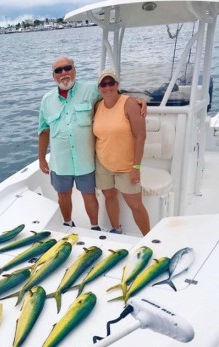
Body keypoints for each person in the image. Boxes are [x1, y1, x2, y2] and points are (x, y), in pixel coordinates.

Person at [38, 56, 146, 231]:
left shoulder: (91, 90)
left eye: (67, 68)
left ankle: (94, 227)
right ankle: (67, 224)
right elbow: (43, 131)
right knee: (63, 195)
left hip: (85, 160)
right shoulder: (46, 100)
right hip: (60, 161)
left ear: (74, 70)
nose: (64, 73)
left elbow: (113, 94)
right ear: (53, 76)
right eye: (58, 70)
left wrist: (137, 100)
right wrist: (41, 158)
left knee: (89, 195)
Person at [93, 69, 150, 235]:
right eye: (103, 84)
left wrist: (136, 167)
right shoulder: (97, 105)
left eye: (111, 83)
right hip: (103, 163)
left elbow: (141, 136)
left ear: (117, 84)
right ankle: (116, 229)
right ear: (99, 87)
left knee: (135, 204)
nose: (107, 87)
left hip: (127, 166)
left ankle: (149, 237)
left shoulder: (130, 104)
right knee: (109, 196)